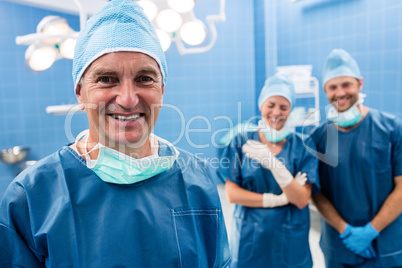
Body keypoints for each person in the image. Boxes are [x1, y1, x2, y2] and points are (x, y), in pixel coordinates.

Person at [0, 1, 230, 267]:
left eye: (145, 78)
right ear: (80, 93)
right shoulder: (31, 196)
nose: (129, 99)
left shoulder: (196, 178)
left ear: (162, 90)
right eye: (106, 79)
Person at [310, 48, 402, 268]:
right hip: (339, 246)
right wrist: (344, 229)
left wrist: (372, 230)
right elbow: (316, 192)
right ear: (325, 90)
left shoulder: (391, 129)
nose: (340, 93)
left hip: (386, 246)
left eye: (346, 85)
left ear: (360, 84)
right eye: (333, 86)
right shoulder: (320, 137)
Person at [219, 73, 319, 268]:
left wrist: (274, 164)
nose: (276, 112)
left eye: (284, 107)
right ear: (261, 106)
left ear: (290, 110)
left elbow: (301, 199)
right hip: (251, 239)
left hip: (290, 240)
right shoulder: (242, 141)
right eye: (271, 105)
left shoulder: (304, 145)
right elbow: (232, 194)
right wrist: (279, 199)